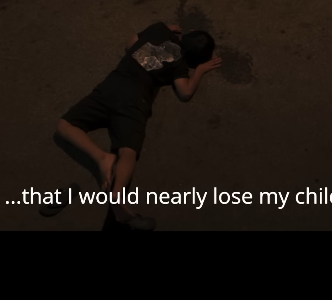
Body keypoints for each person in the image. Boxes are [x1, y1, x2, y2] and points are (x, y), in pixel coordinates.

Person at [44, 21, 222, 230]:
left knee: (65, 126)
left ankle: (101, 157)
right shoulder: (180, 64)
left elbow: (129, 45)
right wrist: (199, 71)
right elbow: (185, 92)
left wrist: (165, 32)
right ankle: (117, 196)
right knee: (127, 151)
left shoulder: (159, 29)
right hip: (136, 101)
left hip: (112, 86)